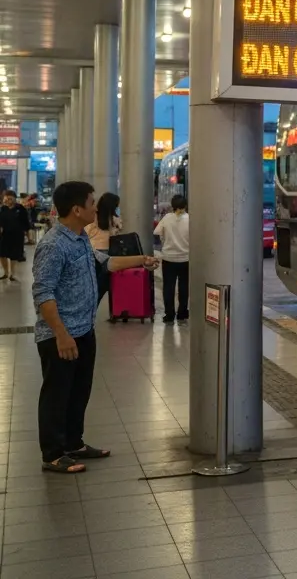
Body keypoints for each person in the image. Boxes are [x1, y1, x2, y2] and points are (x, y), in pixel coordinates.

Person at [32, 181, 158, 474]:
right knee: (57, 395)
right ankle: (52, 454)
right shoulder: (53, 245)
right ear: (77, 209)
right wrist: (61, 335)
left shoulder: (79, 239)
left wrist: (142, 259)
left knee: (79, 392)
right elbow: (43, 294)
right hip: (60, 335)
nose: (96, 208)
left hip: (83, 331)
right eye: (91, 203)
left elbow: (107, 262)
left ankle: (73, 444)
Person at [154, 194, 191, 324]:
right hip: (185, 258)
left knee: (168, 287)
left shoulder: (167, 218)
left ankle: (169, 315)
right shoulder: (189, 219)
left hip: (169, 258)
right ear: (185, 205)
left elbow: (157, 232)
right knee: (184, 287)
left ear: (172, 205)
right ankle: (182, 313)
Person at [0, 189, 30, 281]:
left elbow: (26, 222)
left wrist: (27, 234)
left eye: (10, 199)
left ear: (14, 198)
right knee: (2, 254)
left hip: (17, 235)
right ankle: (5, 272)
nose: (8, 201)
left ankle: (12, 273)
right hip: (3, 235)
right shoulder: (2, 209)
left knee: (14, 255)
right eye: (6, 199)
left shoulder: (20, 208)